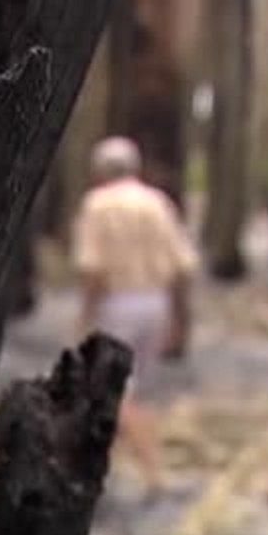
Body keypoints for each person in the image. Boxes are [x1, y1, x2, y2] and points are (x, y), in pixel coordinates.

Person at [72, 136, 199, 493]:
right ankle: (99, 469)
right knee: (136, 388)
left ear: (99, 171)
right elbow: (182, 266)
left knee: (113, 391)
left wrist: (86, 314)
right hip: (155, 302)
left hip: (118, 303)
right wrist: (180, 318)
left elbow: (93, 269)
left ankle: (153, 471)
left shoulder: (98, 205)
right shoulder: (157, 204)